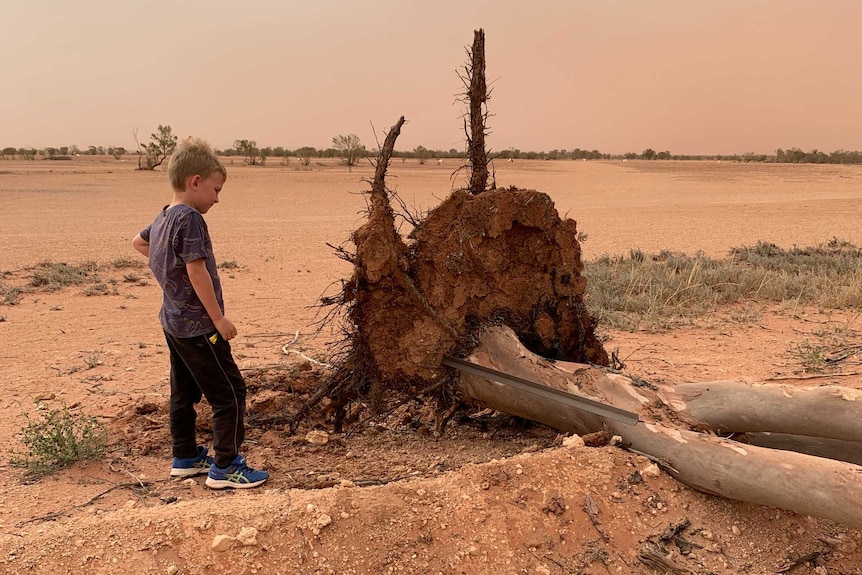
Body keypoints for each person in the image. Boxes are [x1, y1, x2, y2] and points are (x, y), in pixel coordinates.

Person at [131, 137, 268, 489]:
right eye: (216, 189)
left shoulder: (164, 216)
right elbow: (196, 270)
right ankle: (226, 467)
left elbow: (139, 242)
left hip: (173, 323)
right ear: (195, 182)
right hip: (199, 326)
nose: (217, 199)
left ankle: (186, 456)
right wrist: (218, 319)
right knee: (230, 393)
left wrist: (166, 271)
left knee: (183, 392)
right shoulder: (190, 218)